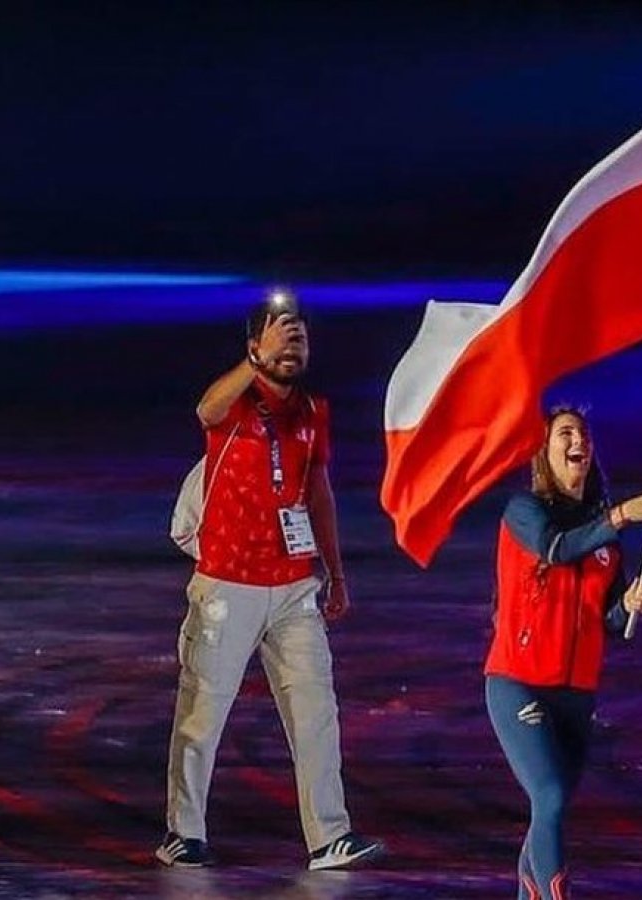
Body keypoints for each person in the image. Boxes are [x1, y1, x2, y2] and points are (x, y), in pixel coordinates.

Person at [158, 288, 382, 871]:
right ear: (255, 344)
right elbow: (205, 409)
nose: (293, 339)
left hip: (293, 585)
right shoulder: (235, 403)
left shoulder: (312, 414)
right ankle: (183, 832)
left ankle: (329, 836)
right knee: (204, 711)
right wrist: (253, 367)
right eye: (280, 330)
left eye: (300, 331)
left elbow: (319, 494)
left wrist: (334, 571)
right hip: (227, 585)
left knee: (316, 710)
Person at [484, 406, 642, 900]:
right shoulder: (524, 511)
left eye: (583, 433)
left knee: (552, 809)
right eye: (564, 433)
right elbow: (556, 549)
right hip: (517, 680)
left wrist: (628, 605)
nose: (576, 440)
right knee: (551, 794)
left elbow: (608, 616)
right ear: (545, 452)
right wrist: (621, 515)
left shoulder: (605, 534)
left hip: (577, 692)